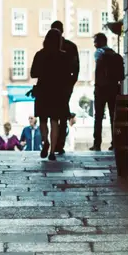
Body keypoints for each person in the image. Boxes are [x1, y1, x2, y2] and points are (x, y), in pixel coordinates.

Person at [30, 28, 77, 161]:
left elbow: (33, 73)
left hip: (43, 90)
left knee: (43, 119)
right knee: (55, 120)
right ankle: (52, 152)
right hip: (58, 92)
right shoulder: (64, 56)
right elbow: (69, 75)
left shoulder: (40, 54)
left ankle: (45, 142)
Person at [49, 21, 79, 155]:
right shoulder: (71, 46)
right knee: (61, 114)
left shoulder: (49, 48)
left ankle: (56, 143)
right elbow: (76, 67)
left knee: (55, 115)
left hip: (56, 85)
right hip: (65, 85)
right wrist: (71, 82)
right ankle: (58, 143)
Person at [91, 33, 124, 151]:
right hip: (114, 89)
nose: (94, 44)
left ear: (100, 42)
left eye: (95, 41)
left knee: (98, 117)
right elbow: (121, 76)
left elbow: (99, 68)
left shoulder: (99, 53)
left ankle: (97, 144)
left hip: (101, 89)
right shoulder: (116, 55)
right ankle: (115, 142)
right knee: (113, 117)